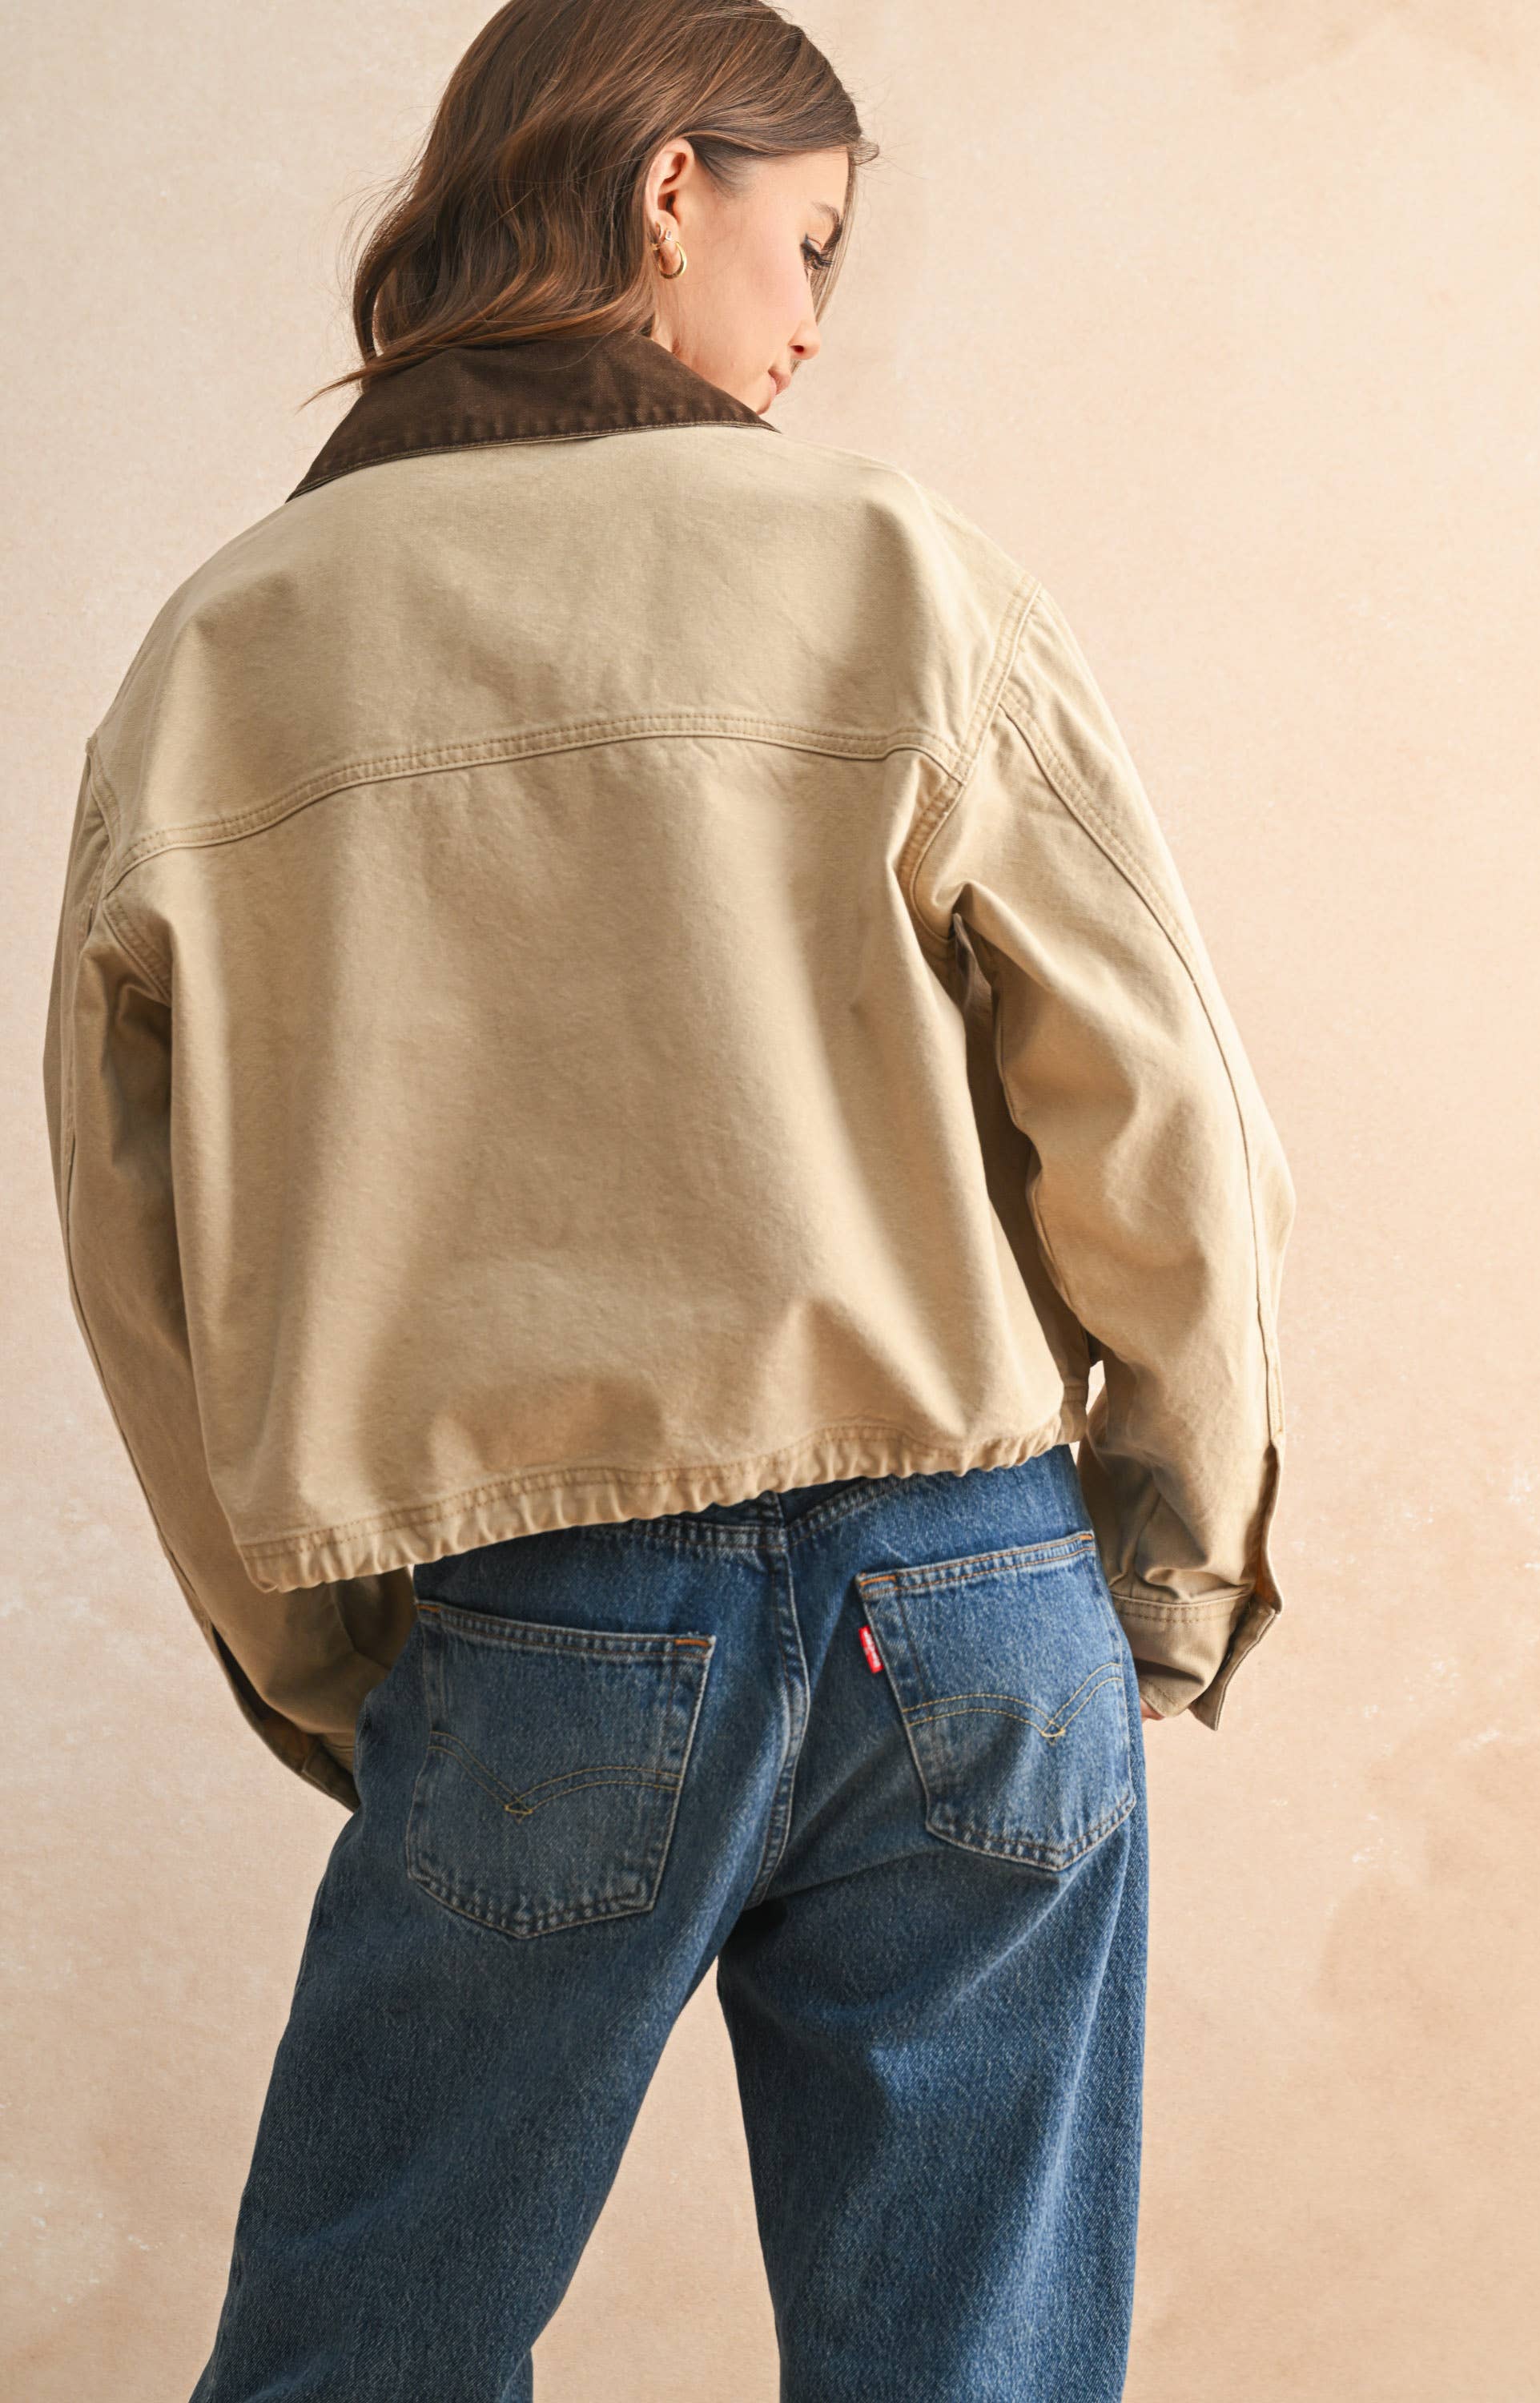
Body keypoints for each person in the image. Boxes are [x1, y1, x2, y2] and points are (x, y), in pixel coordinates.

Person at [40, 3, 1294, 2396]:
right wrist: (1162, 1567)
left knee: (358, 2359)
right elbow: (1168, 1118)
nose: (814, 322)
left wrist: (338, 1663)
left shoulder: (228, 651)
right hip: (974, 1595)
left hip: (542, 1616)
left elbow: (140, 1252)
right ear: (663, 193)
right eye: (805, 242)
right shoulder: (896, 569)